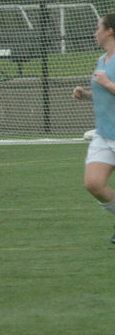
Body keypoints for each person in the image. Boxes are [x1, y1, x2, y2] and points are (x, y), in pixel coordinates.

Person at [72, 13, 115, 243]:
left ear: (109, 31)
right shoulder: (102, 60)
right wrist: (86, 95)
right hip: (104, 134)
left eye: (98, 28)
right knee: (94, 184)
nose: (94, 32)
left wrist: (107, 84)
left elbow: (109, 87)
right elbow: (105, 95)